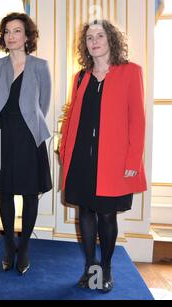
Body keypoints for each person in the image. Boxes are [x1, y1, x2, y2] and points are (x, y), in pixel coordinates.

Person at [59, 19, 147, 292]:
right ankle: (90, 267)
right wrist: (64, 150)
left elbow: (138, 119)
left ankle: (106, 269)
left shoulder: (131, 72)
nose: (94, 41)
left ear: (111, 40)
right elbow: (73, 116)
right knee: (84, 212)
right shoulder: (81, 77)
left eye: (99, 36)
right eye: (89, 38)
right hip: (82, 159)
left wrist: (133, 160)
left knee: (107, 216)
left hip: (113, 161)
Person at [0, 12, 52, 275]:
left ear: (27, 36)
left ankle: (24, 247)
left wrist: (28, 125)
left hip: (28, 137)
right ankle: (9, 246)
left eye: (17, 31)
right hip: (1, 134)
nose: (11, 36)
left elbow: (43, 105)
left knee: (29, 193)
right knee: (4, 192)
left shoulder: (40, 65)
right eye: (7, 31)